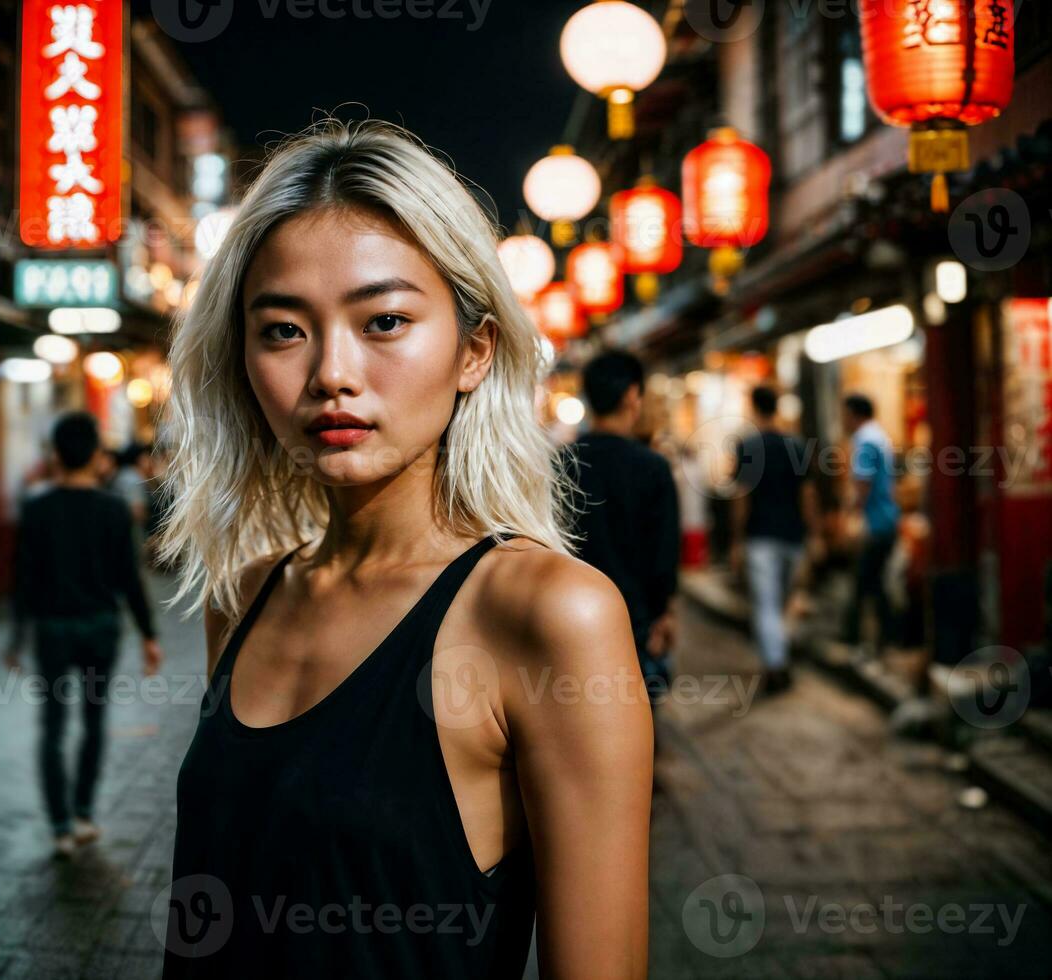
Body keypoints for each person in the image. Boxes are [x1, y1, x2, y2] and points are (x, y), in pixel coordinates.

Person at [156, 120, 652, 979]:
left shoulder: (544, 614)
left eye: (384, 320)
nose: (332, 374)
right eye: (282, 330)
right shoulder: (244, 596)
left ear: (474, 350)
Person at [6, 412, 163, 858]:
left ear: (54, 456)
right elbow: (129, 580)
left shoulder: (36, 510)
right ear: (97, 456)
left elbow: (24, 580)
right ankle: (84, 814)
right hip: (100, 629)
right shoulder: (114, 510)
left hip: (52, 632)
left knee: (53, 727)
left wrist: (17, 639)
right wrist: (150, 634)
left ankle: (58, 827)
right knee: (94, 722)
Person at [567, 351, 680, 707]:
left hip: (570, 617)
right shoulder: (653, 467)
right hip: (636, 618)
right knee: (638, 717)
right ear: (633, 396)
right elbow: (664, 550)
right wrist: (664, 612)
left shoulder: (559, 463)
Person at [730, 385, 820, 692]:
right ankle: (778, 659)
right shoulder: (796, 445)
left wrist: (736, 540)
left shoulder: (748, 446)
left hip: (760, 538)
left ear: (754, 408)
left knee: (767, 605)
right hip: (793, 536)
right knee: (782, 603)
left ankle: (776, 664)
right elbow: (808, 494)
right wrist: (813, 534)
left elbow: (741, 497)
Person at [841, 393, 900, 651]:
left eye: (844, 413)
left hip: (876, 522)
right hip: (886, 518)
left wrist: (849, 514)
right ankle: (884, 637)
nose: (842, 419)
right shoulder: (879, 436)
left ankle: (859, 636)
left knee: (866, 580)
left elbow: (861, 484)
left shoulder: (865, 441)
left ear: (854, 414)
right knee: (873, 581)